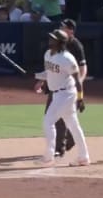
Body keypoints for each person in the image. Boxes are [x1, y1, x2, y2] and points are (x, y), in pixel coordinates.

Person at [33, 29, 90, 166]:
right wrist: (38, 78)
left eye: (53, 39)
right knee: (73, 125)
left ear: (60, 43)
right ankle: (84, 157)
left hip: (67, 94)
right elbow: (49, 73)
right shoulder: (47, 54)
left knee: (48, 122)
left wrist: (81, 98)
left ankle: (49, 155)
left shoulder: (67, 58)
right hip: (57, 94)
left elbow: (77, 79)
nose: (50, 40)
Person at [49, 18, 87, 158]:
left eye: (63, 27)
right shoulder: (55, 46)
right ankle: (64, 144)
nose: (60, 28)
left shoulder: (76, 46)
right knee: (66, 119)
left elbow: (83, 68)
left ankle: (60, 147)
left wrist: (80, 87)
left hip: (70, 88)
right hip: (57, 86)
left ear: (70, 30)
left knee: (56, 119)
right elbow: (52, 67)